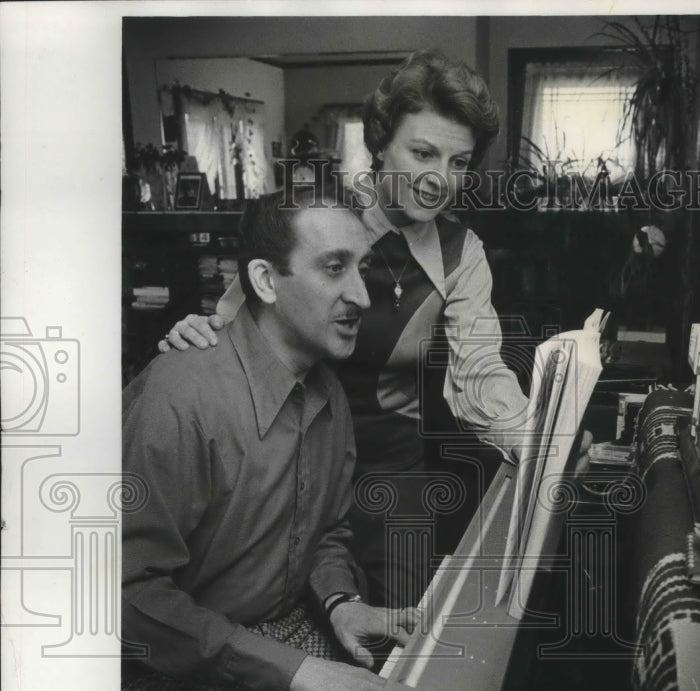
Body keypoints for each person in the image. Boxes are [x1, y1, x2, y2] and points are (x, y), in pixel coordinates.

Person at [160, 49, 591, 609]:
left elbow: (480, 374)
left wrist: (538, 437)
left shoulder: (462, 254)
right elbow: (236, 323)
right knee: (268, 604)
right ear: (381, 143)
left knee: (403, 618)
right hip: (286, 453)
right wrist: (197, 334)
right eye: (423, 153)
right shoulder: (313, 218)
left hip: (392, 466)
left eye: (458, 162)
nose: (439, 180)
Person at [122, 188, 416, 691]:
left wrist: (341, 603)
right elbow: (123, 598)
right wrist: (297, 672)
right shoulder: (180, 398)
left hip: (281, 632)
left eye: (362, 268)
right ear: (264, 280)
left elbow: (327, 532)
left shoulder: (328, 390)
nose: (362, 296)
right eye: (334, 267)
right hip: (162, 679)